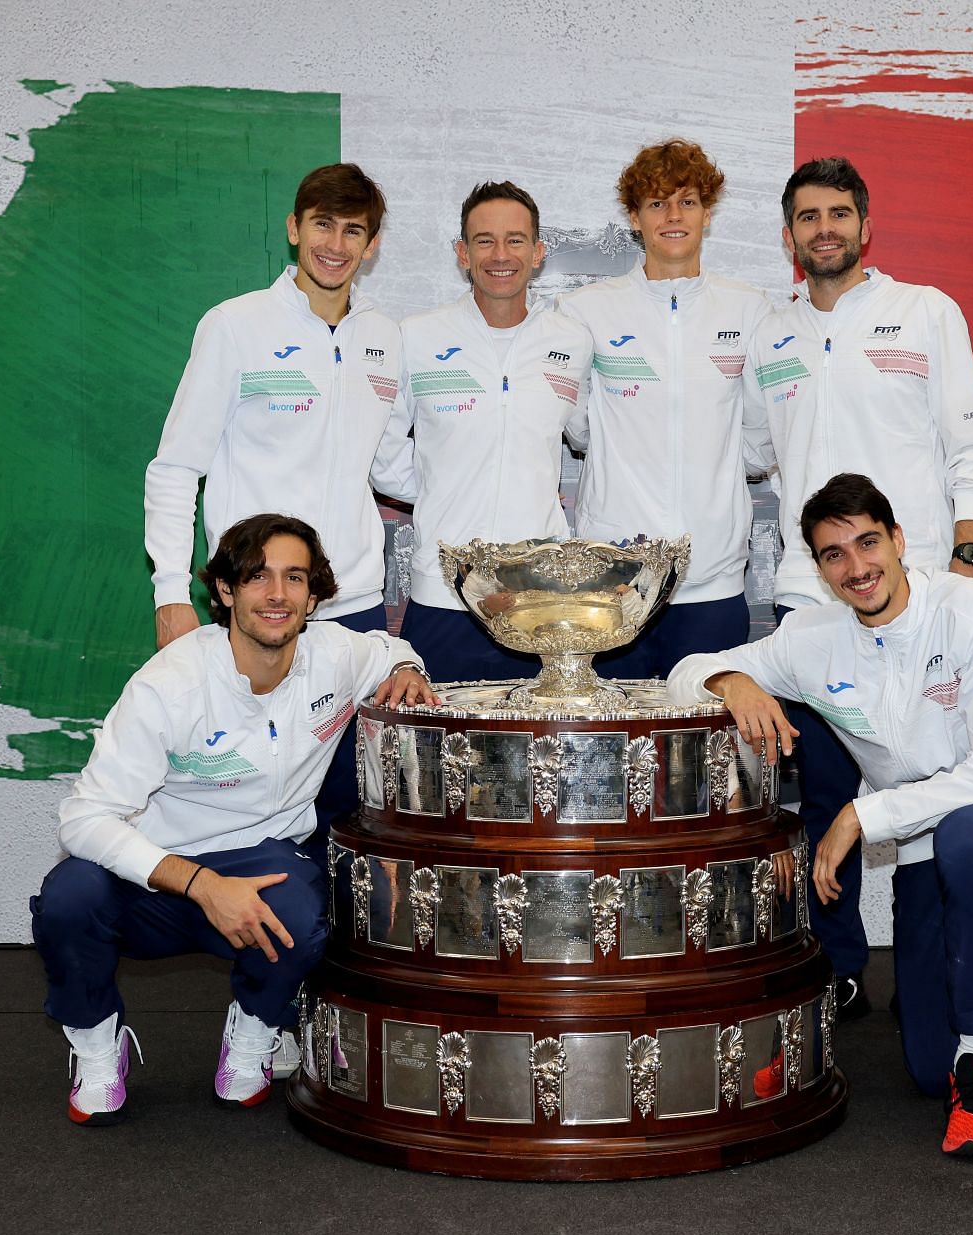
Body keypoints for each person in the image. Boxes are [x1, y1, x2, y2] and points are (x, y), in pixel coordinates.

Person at [666, 473, 973, 1159]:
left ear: (898, 540)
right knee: (926, 1067)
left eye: (868, 543)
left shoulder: (967, 610)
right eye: (835, 554)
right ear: (819, 568)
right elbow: (684, 671)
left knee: (967, 837)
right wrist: (730, 680)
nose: (857, 567)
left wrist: (861, 815)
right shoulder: (812, 639)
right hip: (927, 838)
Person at [32, 513, 435, 1125]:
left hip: (260, 858)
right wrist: (201, 885)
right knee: (66, 900)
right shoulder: (170, 685)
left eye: (294, 577)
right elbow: (84, 820)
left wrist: (409, 671)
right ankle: (95, 1048)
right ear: (225, 591)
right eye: (257, 577)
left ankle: (252, 1034)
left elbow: (391, 651)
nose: (277, 594)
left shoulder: (336, 655)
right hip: (159, 872)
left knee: (302, 910)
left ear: (314, 592)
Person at [744, 157, 973, 1018]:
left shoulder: (924, 312)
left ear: (865, 226)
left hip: (917, 590)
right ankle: (841, 966)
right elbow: (749, 454)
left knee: (937, 780)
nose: (826, 228)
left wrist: (965, 560)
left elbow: (972, 450)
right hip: (809, 595)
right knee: (822, 790)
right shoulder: (768, 335)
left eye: (840, 213)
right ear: (789, 237)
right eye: (809, 216)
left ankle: (947, 971)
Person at [144, 162, 414, 840]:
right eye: (323, 224)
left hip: (352, 608)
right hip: (257, 608)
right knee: (247, 798)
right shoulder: (235, 326)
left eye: (354, 230)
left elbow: (393, 467)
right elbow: (176, 467)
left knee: (352, 809)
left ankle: (327, 945)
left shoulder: (384, 339)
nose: (337, 244)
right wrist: (170, 592)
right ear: (295, 228)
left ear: (372, 244)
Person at [556, 139, 773, 676]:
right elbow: (578, 430)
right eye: (657, 204)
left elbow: (758, 441)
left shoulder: (750, 310)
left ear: (707, 212)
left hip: (714, 581)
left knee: (707, 752)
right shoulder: (585, 311)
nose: (673, 216)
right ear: (634, 217)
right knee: (614, 752)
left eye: (688, 201)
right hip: (614, 581)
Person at [384, 180, 594, 680]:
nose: (501, 254)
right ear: (462, 253)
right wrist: (443, 491)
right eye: (484, 240)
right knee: (435, 756)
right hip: (442, 597)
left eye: (516, 240)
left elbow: (587, 438)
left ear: (539, 252)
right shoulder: (416, 336)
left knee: (538, 758)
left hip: (539, 603)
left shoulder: (573, 341)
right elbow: (383, 455)